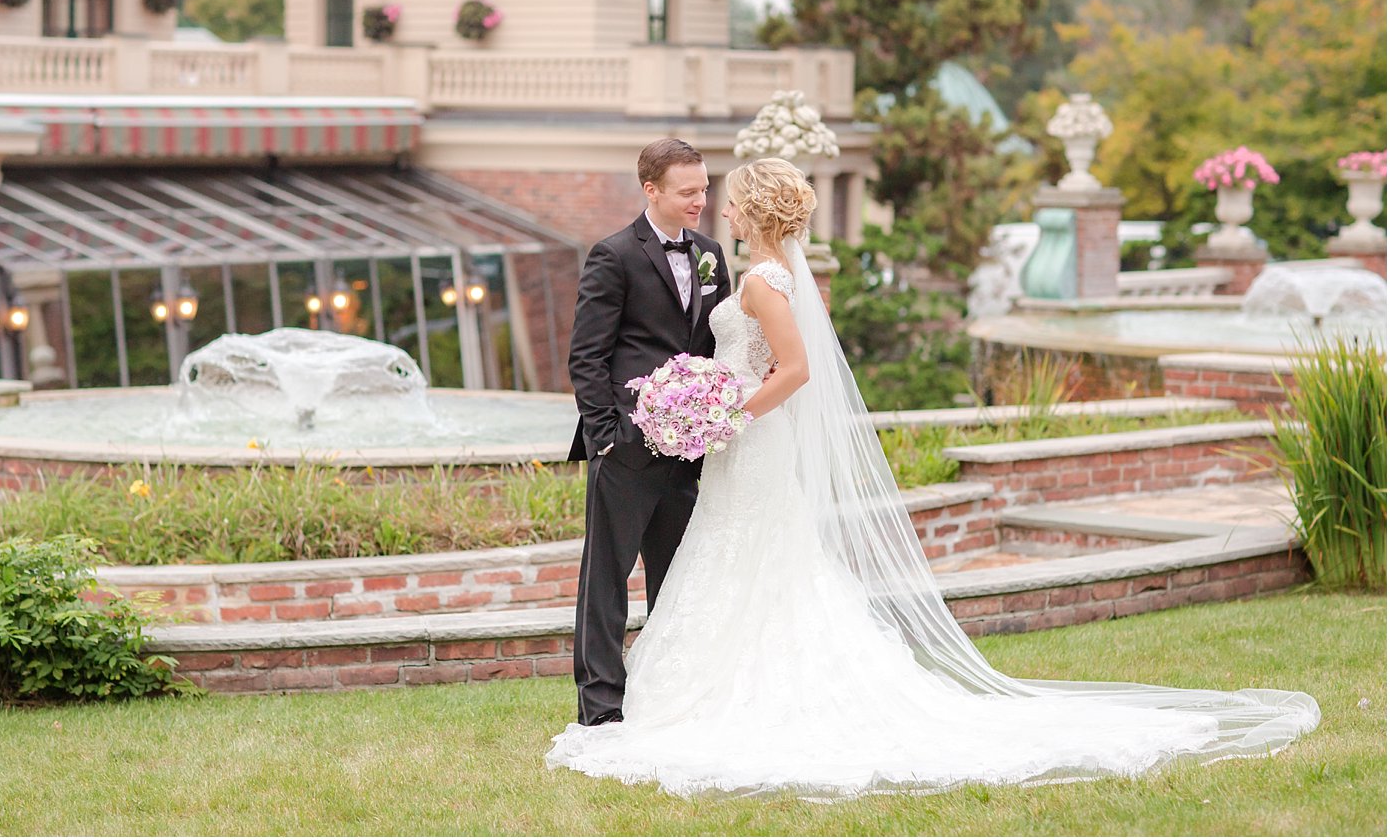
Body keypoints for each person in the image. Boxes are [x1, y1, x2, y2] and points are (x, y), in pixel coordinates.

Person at [547, 157, 1320, 800]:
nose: (714, 204)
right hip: (696, 448)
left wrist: (729, 414)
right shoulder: (718, 267)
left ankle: (695, 700)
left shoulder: (754, 279)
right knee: (708, 568)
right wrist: (647, 424)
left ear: (753, 211)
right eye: (695, 191)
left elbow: (794, 369)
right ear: (652, 190)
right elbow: (614, 351)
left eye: (724, 195)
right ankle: (627, 703)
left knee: (743, 565)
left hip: (737, 443)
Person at [565, 137, 731, 728]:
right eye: (688, 192)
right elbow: (587, 356)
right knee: (607, 582)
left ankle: (665, 698)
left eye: (704, 189)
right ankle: (602, 709)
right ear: (651, 190)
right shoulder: (613, 255)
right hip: (627, 451)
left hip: (691, 454)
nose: (700, 201)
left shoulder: (712, 254)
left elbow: (714, 348)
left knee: (678, 579)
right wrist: (607, 435)